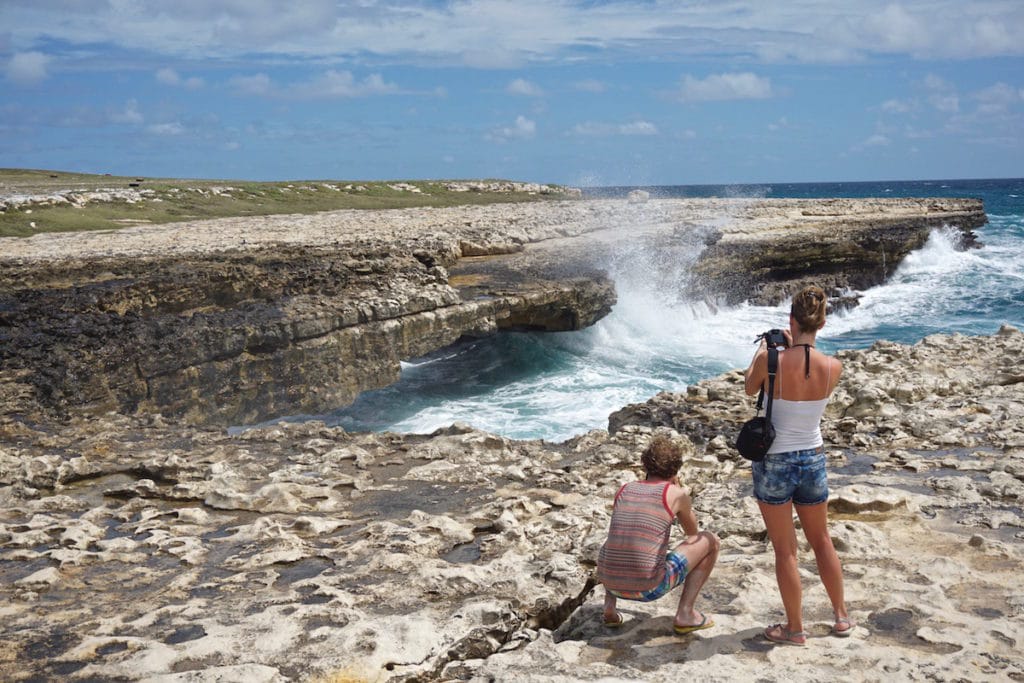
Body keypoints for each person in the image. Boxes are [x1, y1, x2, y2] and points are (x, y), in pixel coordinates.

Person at [743, 285, 854, 646]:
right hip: (812, 457)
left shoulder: (771, 359)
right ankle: (840, 616)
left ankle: (795, 628)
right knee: (821, 540)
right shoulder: (832, 368)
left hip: (775, 461)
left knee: (785, 548)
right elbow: (808, 382)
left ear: (791, 320)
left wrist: (766, 349)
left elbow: (749, 389)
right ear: (821, 324)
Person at [596, 435, 720, 634]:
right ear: (676, 469)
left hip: (610, 583)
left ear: (646, 466)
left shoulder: (625, 489)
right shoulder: (675, 494)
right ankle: (686, 614)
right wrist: (679, 492)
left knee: (616, 541)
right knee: (710, 541)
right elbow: (692, 534)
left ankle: (609, 606)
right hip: (649, 588)